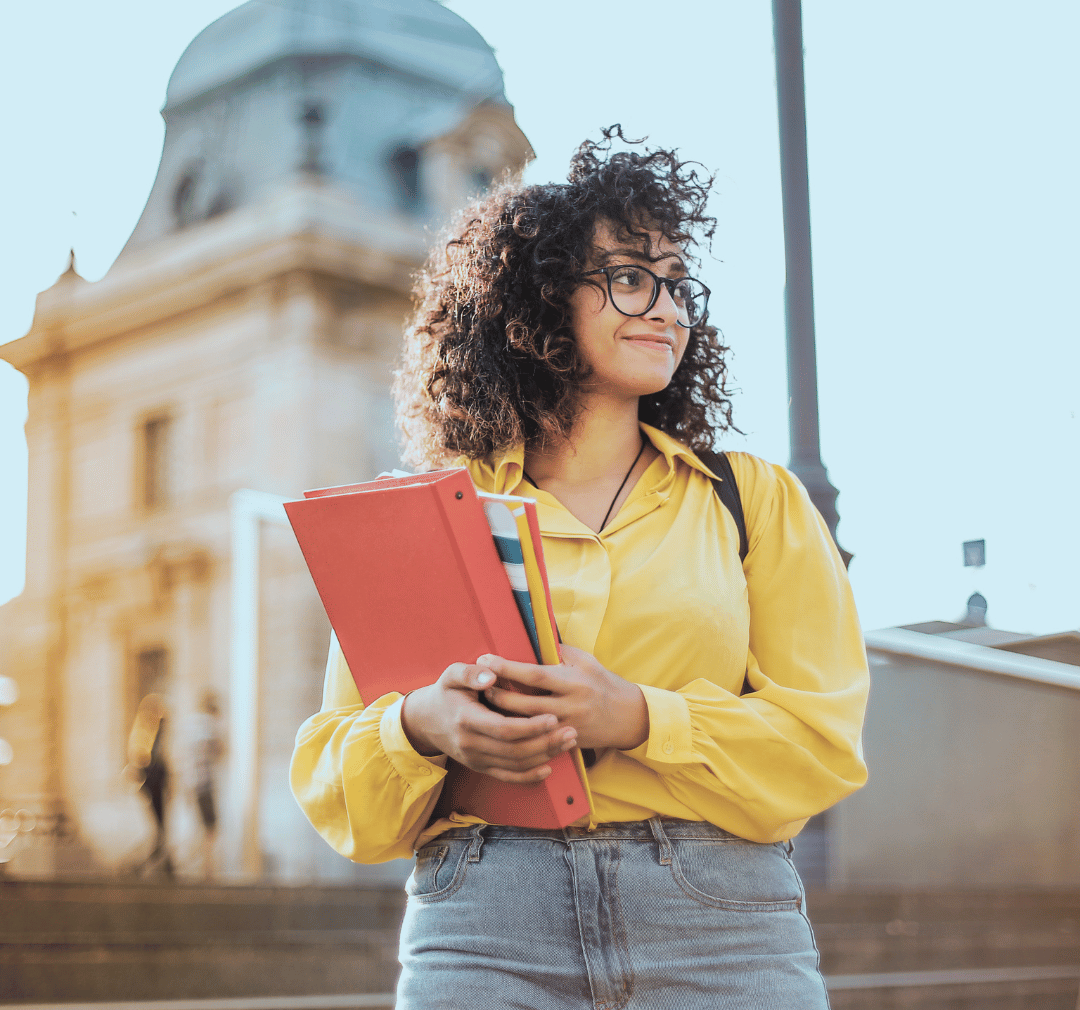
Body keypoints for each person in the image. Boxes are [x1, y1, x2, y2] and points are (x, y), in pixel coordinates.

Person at [291, 127, 869, 1009]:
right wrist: (420, 726)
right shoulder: (434, 517)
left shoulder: (752, 501)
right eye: (631, 277)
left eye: (679, 284)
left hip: (719, 921)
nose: (668, 307)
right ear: (537, 297)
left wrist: (639, 716)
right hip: (483, 920)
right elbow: (339, 785)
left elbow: (822, 745)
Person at [127, 692, 173, 880]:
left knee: (161, 826)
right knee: (158, 826)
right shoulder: (143, 732)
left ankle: (165, 864)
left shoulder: (158, 733)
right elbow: (139, 758)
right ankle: (155, 863)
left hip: (159, 782)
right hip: (151, 781)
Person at [185, 689, 225, 881]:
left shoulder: (192, 725)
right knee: (210, 828)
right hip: (205, 784)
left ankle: (203, 867)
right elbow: (219, 749)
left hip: (193, 783)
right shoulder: (208, 725)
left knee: (202, 827)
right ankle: (207, 870)